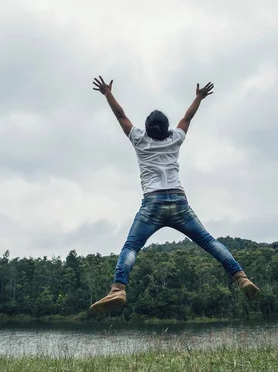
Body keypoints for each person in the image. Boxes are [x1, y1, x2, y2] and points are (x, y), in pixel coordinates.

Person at [88, 76, 260, 315]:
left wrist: (108, 93)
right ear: (167, 127)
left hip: (153, 203)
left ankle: (118, 289)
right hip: (179, 201)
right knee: (209, 242)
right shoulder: (175, 139)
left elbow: (121, 115)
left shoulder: (139, 139)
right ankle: (241, 277)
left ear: (146, 128)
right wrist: (198, 97)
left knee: (132, 246)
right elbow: (187, 118)